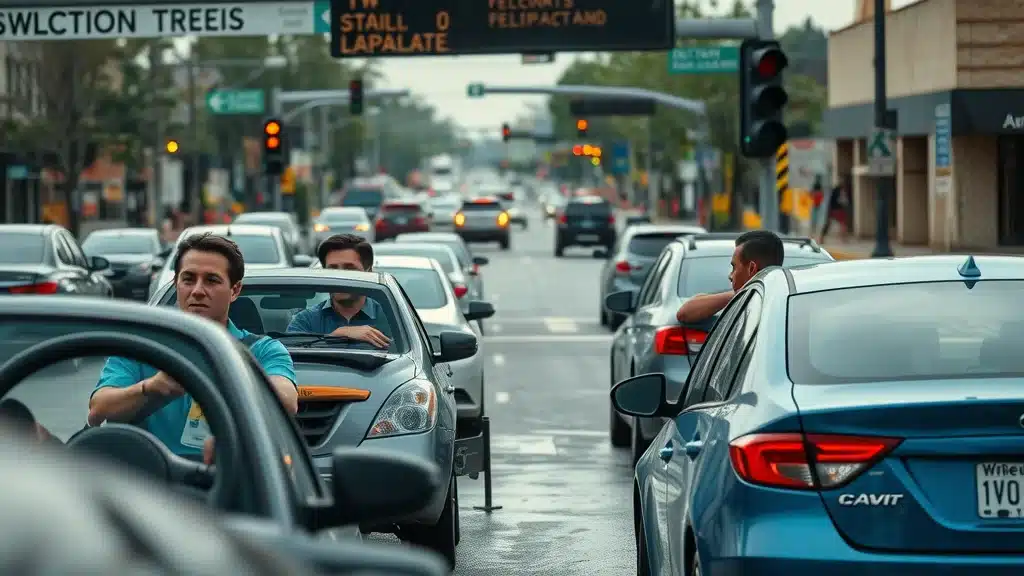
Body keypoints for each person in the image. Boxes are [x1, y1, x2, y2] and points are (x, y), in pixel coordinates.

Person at [87, 233, 298, 459]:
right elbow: (98, 411)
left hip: (230, 478)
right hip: (150, 483)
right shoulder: (139, 347)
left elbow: (286, 401)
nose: (197, 290)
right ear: (176, 283)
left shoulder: (263, 350)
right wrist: (151, 388)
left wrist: (226, 380)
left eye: (211, 280)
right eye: (188, 279)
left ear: (235, 290)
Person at [289, 234, 392, 349]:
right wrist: (336, 336)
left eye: (350, 269)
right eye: (332, 269)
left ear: (369, 272)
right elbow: (291, 359)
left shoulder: (391, 319)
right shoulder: (305, 321)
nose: (340, 276)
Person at [675, 230, 784, 324]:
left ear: (751, 268)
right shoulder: (789, 302)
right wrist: (744, 293)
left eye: (734, 267)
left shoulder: (756, 309)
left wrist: (742, 293)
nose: (730, 276)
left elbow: (684, 314)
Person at [818, 178, 850, 244]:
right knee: (831, 224)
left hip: (838, 209)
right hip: (835, 209)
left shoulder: (842, 190)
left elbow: (844, 201)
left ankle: (844, 238)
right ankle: (821, 238)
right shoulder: (837, 190)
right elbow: (834, 201)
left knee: (842, 224)